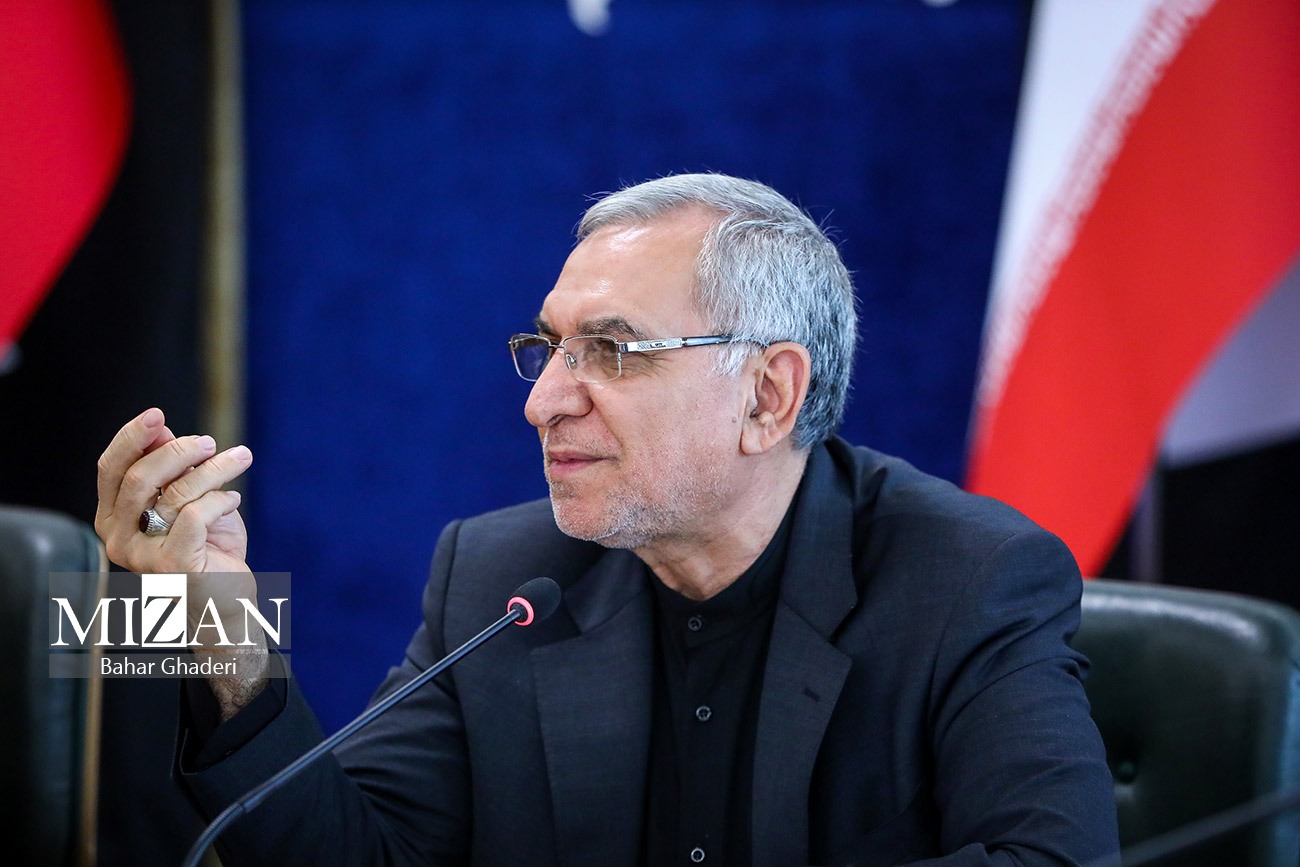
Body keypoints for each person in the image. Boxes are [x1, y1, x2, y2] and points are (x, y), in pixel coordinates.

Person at [94, 173, 1119, 866]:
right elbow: (355, 854)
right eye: (548, 349)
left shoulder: (970, 577)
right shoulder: (500, 574)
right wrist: (216, 621)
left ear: (767, 396)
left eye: (613, 353)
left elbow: (1050, 857)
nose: (543, 402)